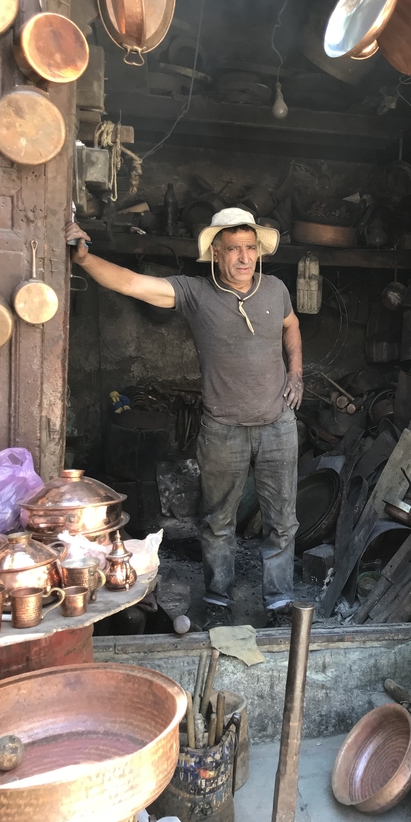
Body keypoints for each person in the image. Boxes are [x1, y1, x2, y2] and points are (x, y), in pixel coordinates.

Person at [65, 208, 303, 629]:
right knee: (217, 522)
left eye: (251, 249)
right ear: (215, 253)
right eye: (234, 249)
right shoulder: (195, 293)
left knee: (282, 521)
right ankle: (218, 597)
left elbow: (291, 325)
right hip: (222, 429)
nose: (244, 258)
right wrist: (83, 258)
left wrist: (296, 371)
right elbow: (132, 283)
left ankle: (280, 602)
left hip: (277, 426)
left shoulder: (276, 289)